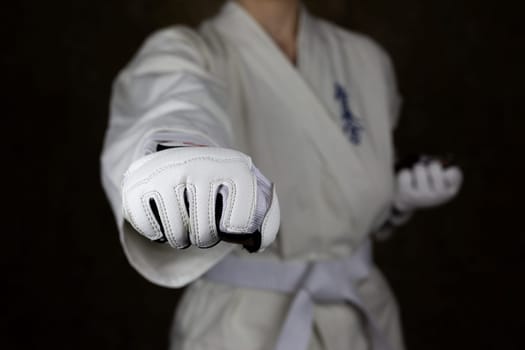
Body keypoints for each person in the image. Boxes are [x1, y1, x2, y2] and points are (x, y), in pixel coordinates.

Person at [100, 0, 463, 349]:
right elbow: (169, 106)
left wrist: (393, 201)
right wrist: (177, 161)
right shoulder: (184, 53)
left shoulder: (366, 59)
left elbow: (335, 202)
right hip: (242, 330)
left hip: (361, 319)